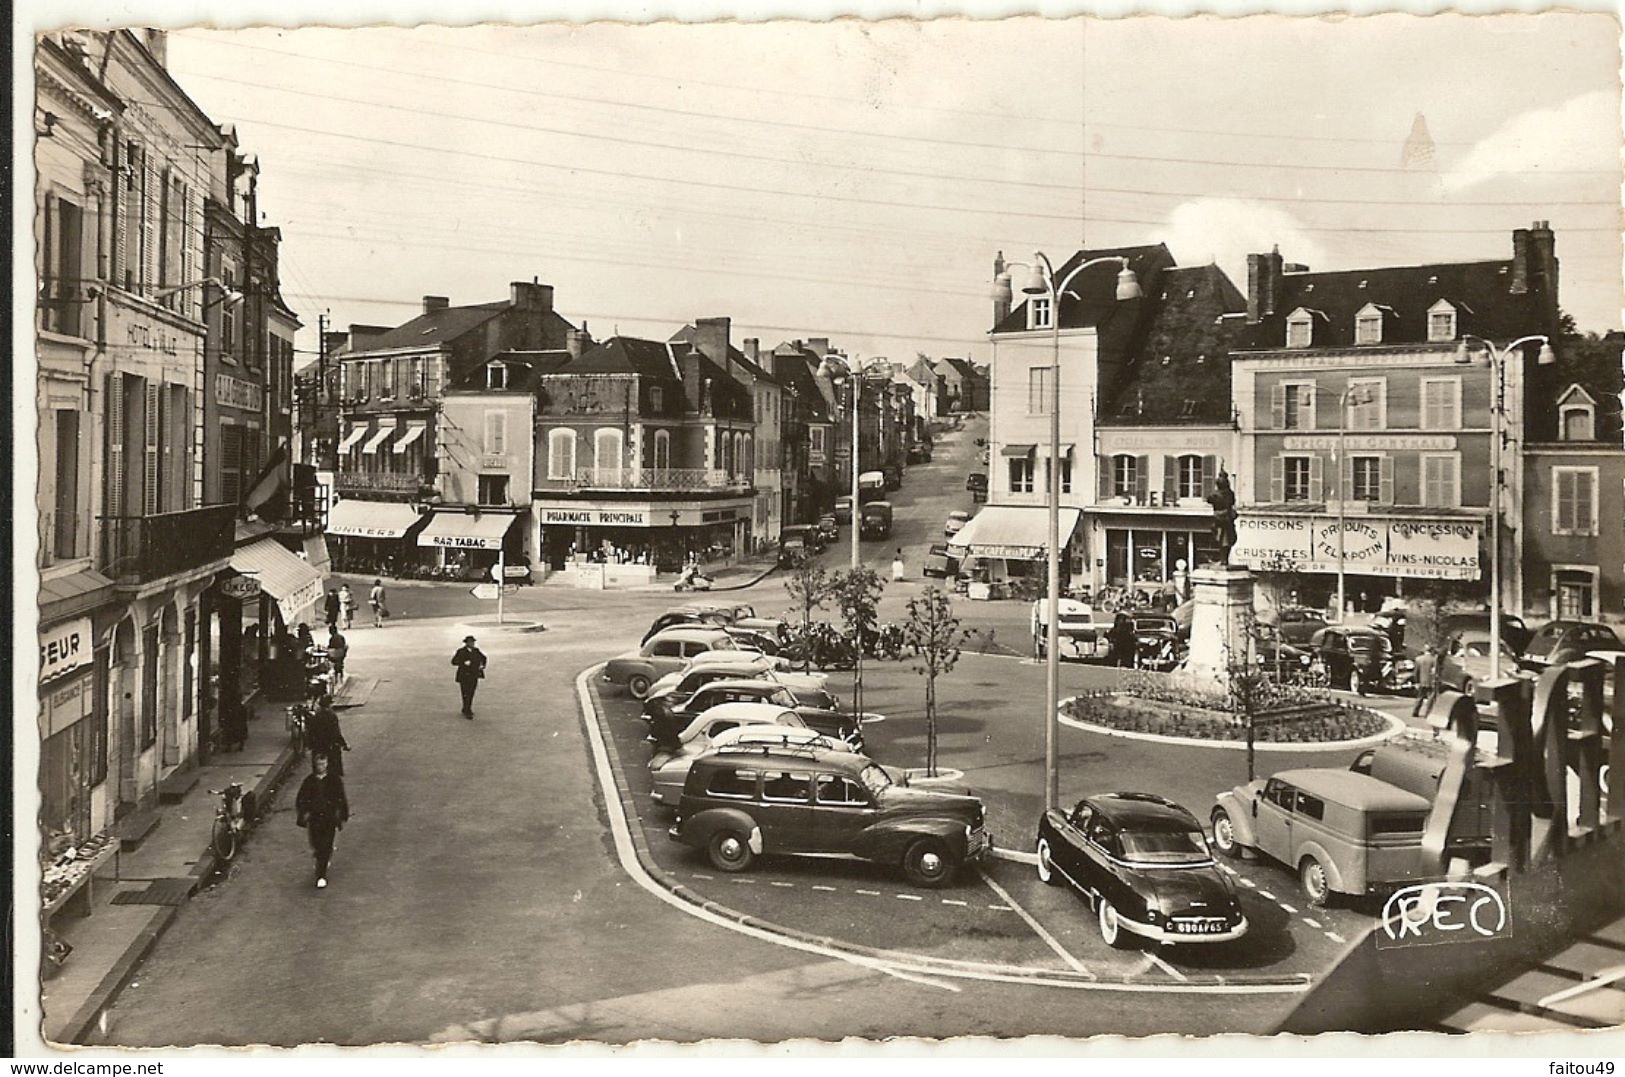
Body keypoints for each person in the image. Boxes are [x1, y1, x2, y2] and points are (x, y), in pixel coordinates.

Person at [295, 751, 349, 889]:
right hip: (314, 818)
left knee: (325, 845)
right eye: (318, 764)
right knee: (316, 843)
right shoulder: (309, 781)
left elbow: (341, 798)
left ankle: (321, 875)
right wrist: (303, 813)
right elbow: (301, 799)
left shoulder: (334, 780)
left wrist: (343, 814)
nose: (321, 766)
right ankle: (322, 858)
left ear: (327, 764)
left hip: (329, 818)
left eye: (323, 764)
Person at [306, 693, 349, 778]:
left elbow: (310, 732)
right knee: (333, 770)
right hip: (330, 746)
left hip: (318, 746)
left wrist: (310, 745)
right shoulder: (331, 716)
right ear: (329, 705)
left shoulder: (316, 716)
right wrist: (344, 744)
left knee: (319, 770)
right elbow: (336, 733)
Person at [451, 635, 487, 718]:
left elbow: (484, 658)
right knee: (465, 693)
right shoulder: (461, 651)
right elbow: (454, 661)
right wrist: (463, 662)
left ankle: (466, 708)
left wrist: (482, 665)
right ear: (466, 643)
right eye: (470, 642)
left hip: (474, 675)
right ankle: (467, 710)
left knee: (471, 692)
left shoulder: (476, 651)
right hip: (464, 675)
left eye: (473, 642)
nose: (472, 644)